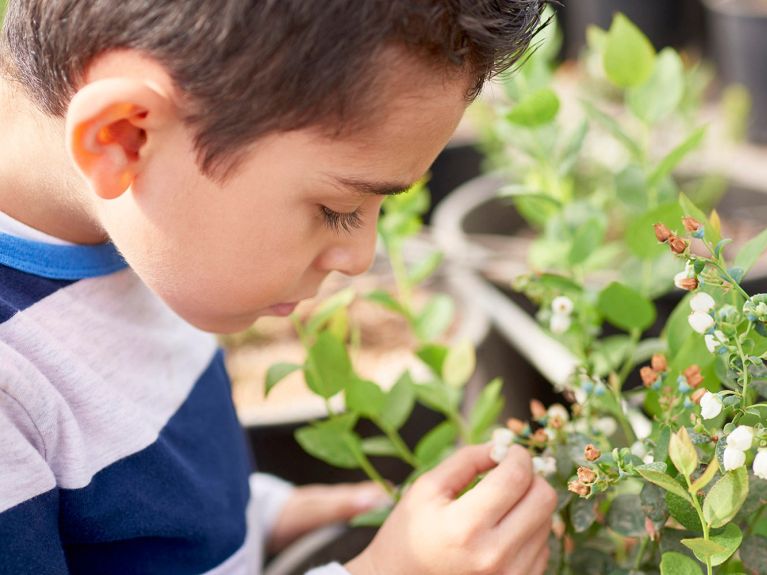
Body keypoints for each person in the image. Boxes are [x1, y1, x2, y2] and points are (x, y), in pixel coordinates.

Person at [0, 1, 558, 574]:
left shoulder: (139, 228)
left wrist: (257, 513)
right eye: (337, 207)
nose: (360, 257)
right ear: (124, 135)